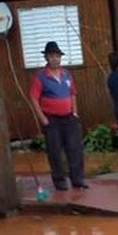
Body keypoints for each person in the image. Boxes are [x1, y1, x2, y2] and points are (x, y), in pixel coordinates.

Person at [28, 41, 88, 190]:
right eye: (52, 56)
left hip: (69, 117)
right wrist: (43, 118)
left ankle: (78, 179)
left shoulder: (66, 74)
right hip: (52, 119)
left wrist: (75, 112)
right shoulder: (41, 76)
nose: (55, 59)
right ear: (47, 58)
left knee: (75, 149)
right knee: (55, 151)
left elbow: (73, 93)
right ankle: (59, 181)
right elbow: (34, 98)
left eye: (57, 56)